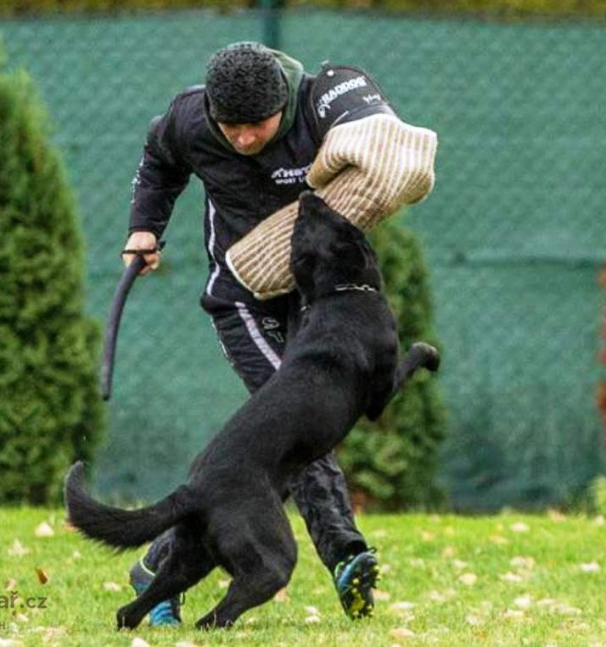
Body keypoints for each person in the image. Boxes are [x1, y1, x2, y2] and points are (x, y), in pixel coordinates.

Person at [123, 41, 398, 626]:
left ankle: (158, 565)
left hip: (319, 296)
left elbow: (385, 138)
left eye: (258, 126)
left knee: (276, 447)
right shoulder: (190, 118)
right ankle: (345, 550)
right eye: (232, 128)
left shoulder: (322, 98)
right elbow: (159, 159)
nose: (244, 138)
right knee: (293, 419)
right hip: (242, 298)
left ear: (283, 105)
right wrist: (145, 227)